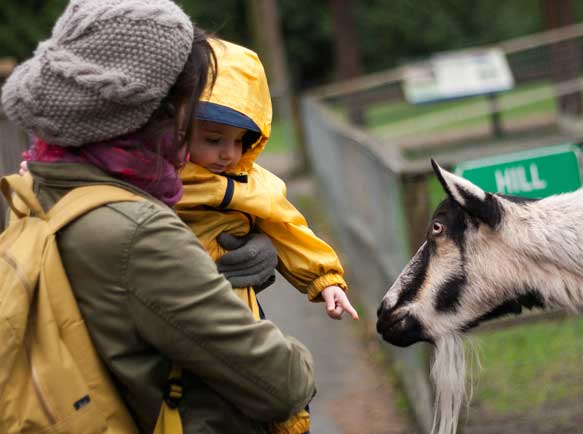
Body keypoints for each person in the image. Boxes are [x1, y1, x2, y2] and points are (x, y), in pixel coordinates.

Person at [2, 1, 315, 433]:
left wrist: (208, 259)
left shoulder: (39, 185)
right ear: (157, 114)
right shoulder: (138, 232)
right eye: (190, 102)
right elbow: (284, 382)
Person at [176, 39, 359, 434]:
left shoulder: (246, 182)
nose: (228, 153)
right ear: (180, 126)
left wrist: (324, 278)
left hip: (234, 308)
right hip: (173, 310)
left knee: (266, 388)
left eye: (240, 140)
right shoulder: (156, 177)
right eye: (213, 139)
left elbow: (286, 226)